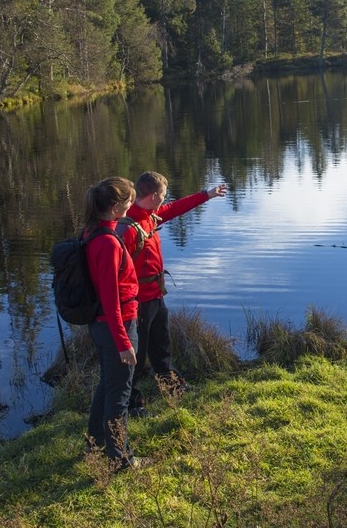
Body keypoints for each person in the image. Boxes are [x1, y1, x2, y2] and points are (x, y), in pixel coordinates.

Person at [116, 171, 227, 396]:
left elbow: (175, 209)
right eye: (164, 195)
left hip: (156, 296)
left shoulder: (150, 215)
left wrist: (207, 195)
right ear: (155, 195)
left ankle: (172, 387)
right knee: (137, 353)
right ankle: (132, 401)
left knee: (162, 346)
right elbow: (114, 273)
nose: (165, 199)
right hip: (138, 303)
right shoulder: (127, 227)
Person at [81, 176, 146, 471]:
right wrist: (123, 343)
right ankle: (120, 459)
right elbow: (110, 298)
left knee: (107, 385)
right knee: (119, 395)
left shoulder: (92, 232)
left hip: (102, 324)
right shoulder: (107, 243)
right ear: (118, 206)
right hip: (114, 325)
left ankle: (94, 443)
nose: (132, 207)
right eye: (130, 201)